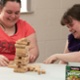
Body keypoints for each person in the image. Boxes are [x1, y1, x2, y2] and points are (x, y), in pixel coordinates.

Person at [0, 0, 39, 66]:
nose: (13, 16)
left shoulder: (25, 27)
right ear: (0, 9)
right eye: (9, 12)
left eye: (17, 13)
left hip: (18, 67)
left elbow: (33, 49)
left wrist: (31, 55)